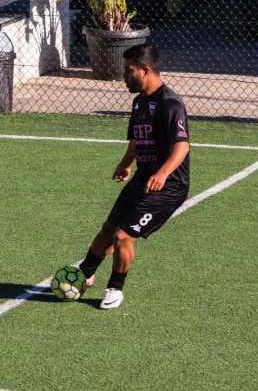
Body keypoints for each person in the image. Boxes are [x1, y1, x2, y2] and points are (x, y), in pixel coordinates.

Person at [77, 44, 190, 310]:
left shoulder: (170, 104)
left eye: (129, 71)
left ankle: (115, 288)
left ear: (146, 71)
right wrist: (125, 164)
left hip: (168, 187)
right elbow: (137, 141)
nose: (124, 77)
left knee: (122, 236)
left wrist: (162, 174)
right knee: (108, 229)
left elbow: (181, 145)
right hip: (143, 179)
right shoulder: (139, 102)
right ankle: (85, 272)